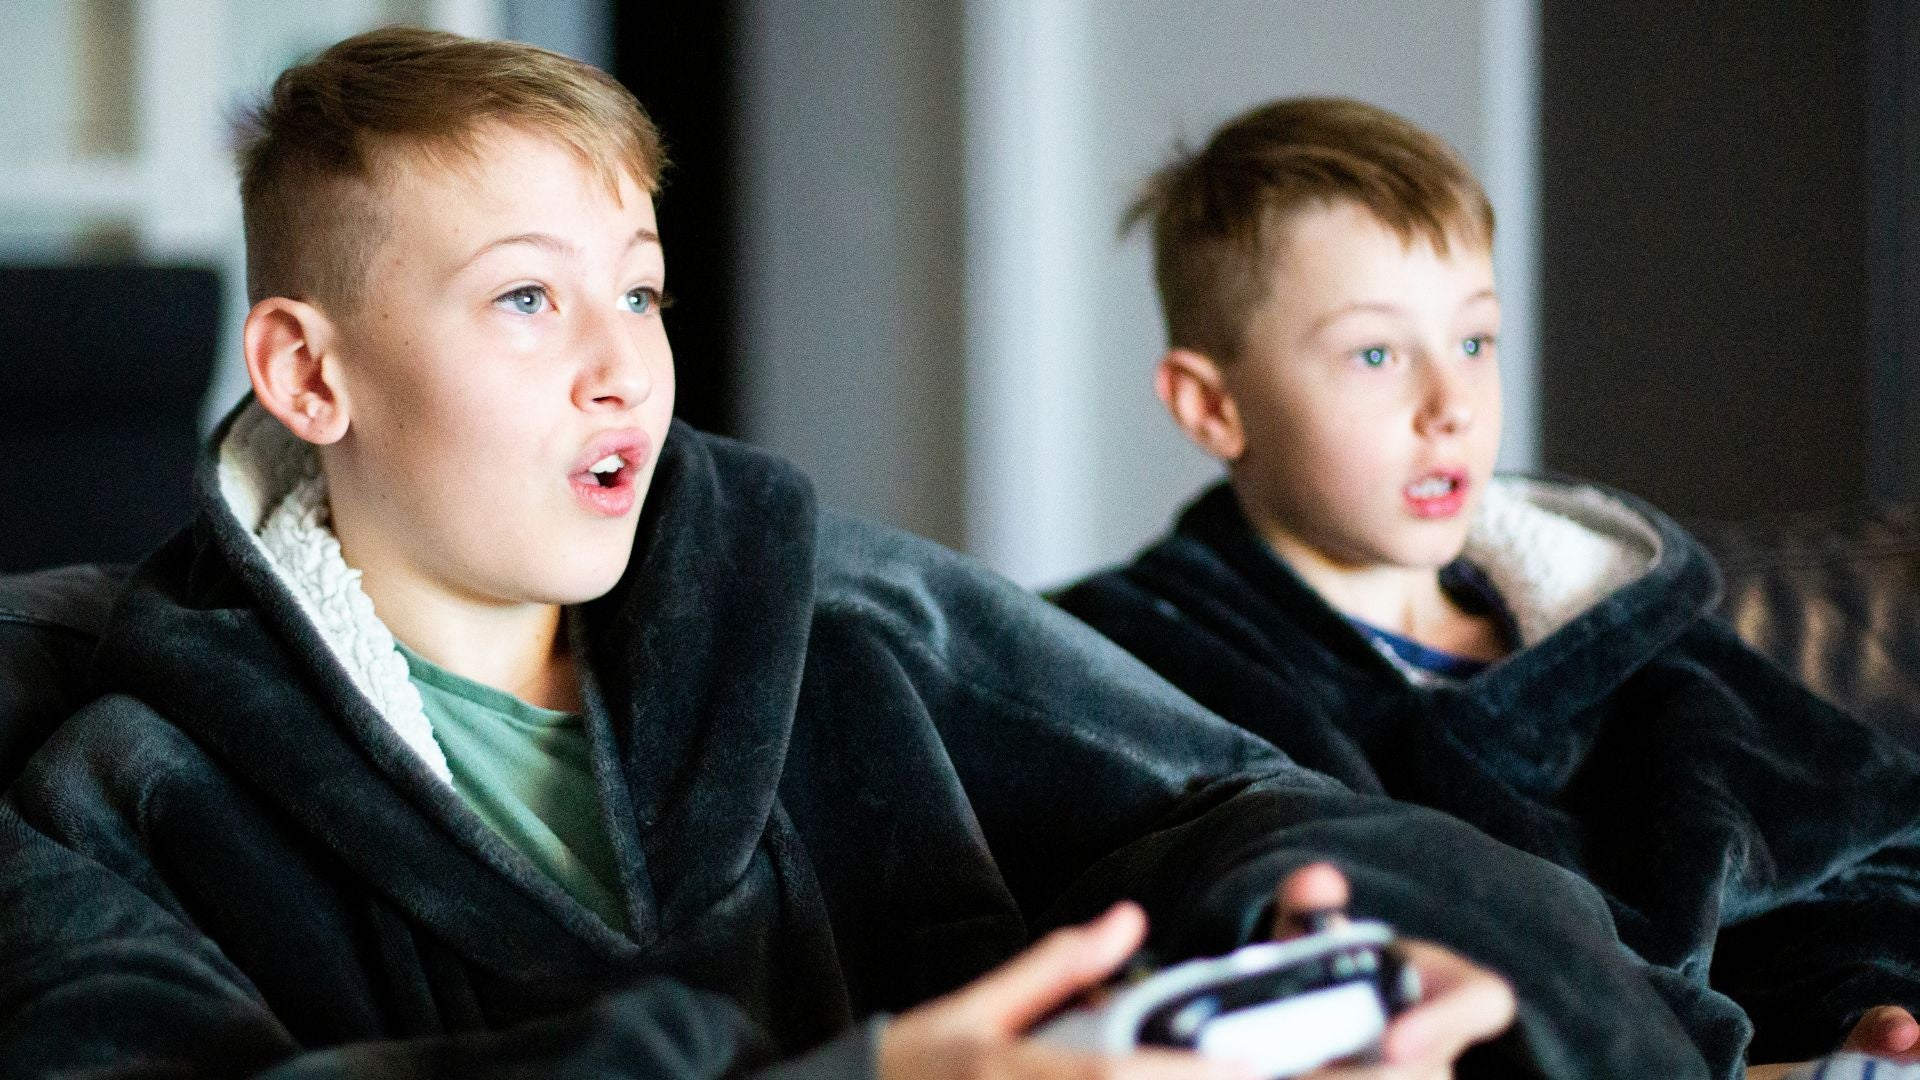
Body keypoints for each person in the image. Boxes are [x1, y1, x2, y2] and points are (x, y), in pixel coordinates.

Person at [0, 29, 1719, 1080]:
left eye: (642, 292)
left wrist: (1348, 958)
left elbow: (1249, 808)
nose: (624, 367)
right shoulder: (132, 786)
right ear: (309, 376)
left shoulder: (841, 612)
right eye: (528, 298)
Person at [1051, 96, 1920, 1080]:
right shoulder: (1132, 663)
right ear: (1212, 405)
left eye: (1474, 342)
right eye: (1376, 354)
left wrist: (1864, 1008)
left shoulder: (1615, 629)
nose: (1451, 406)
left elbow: (1858, 850)